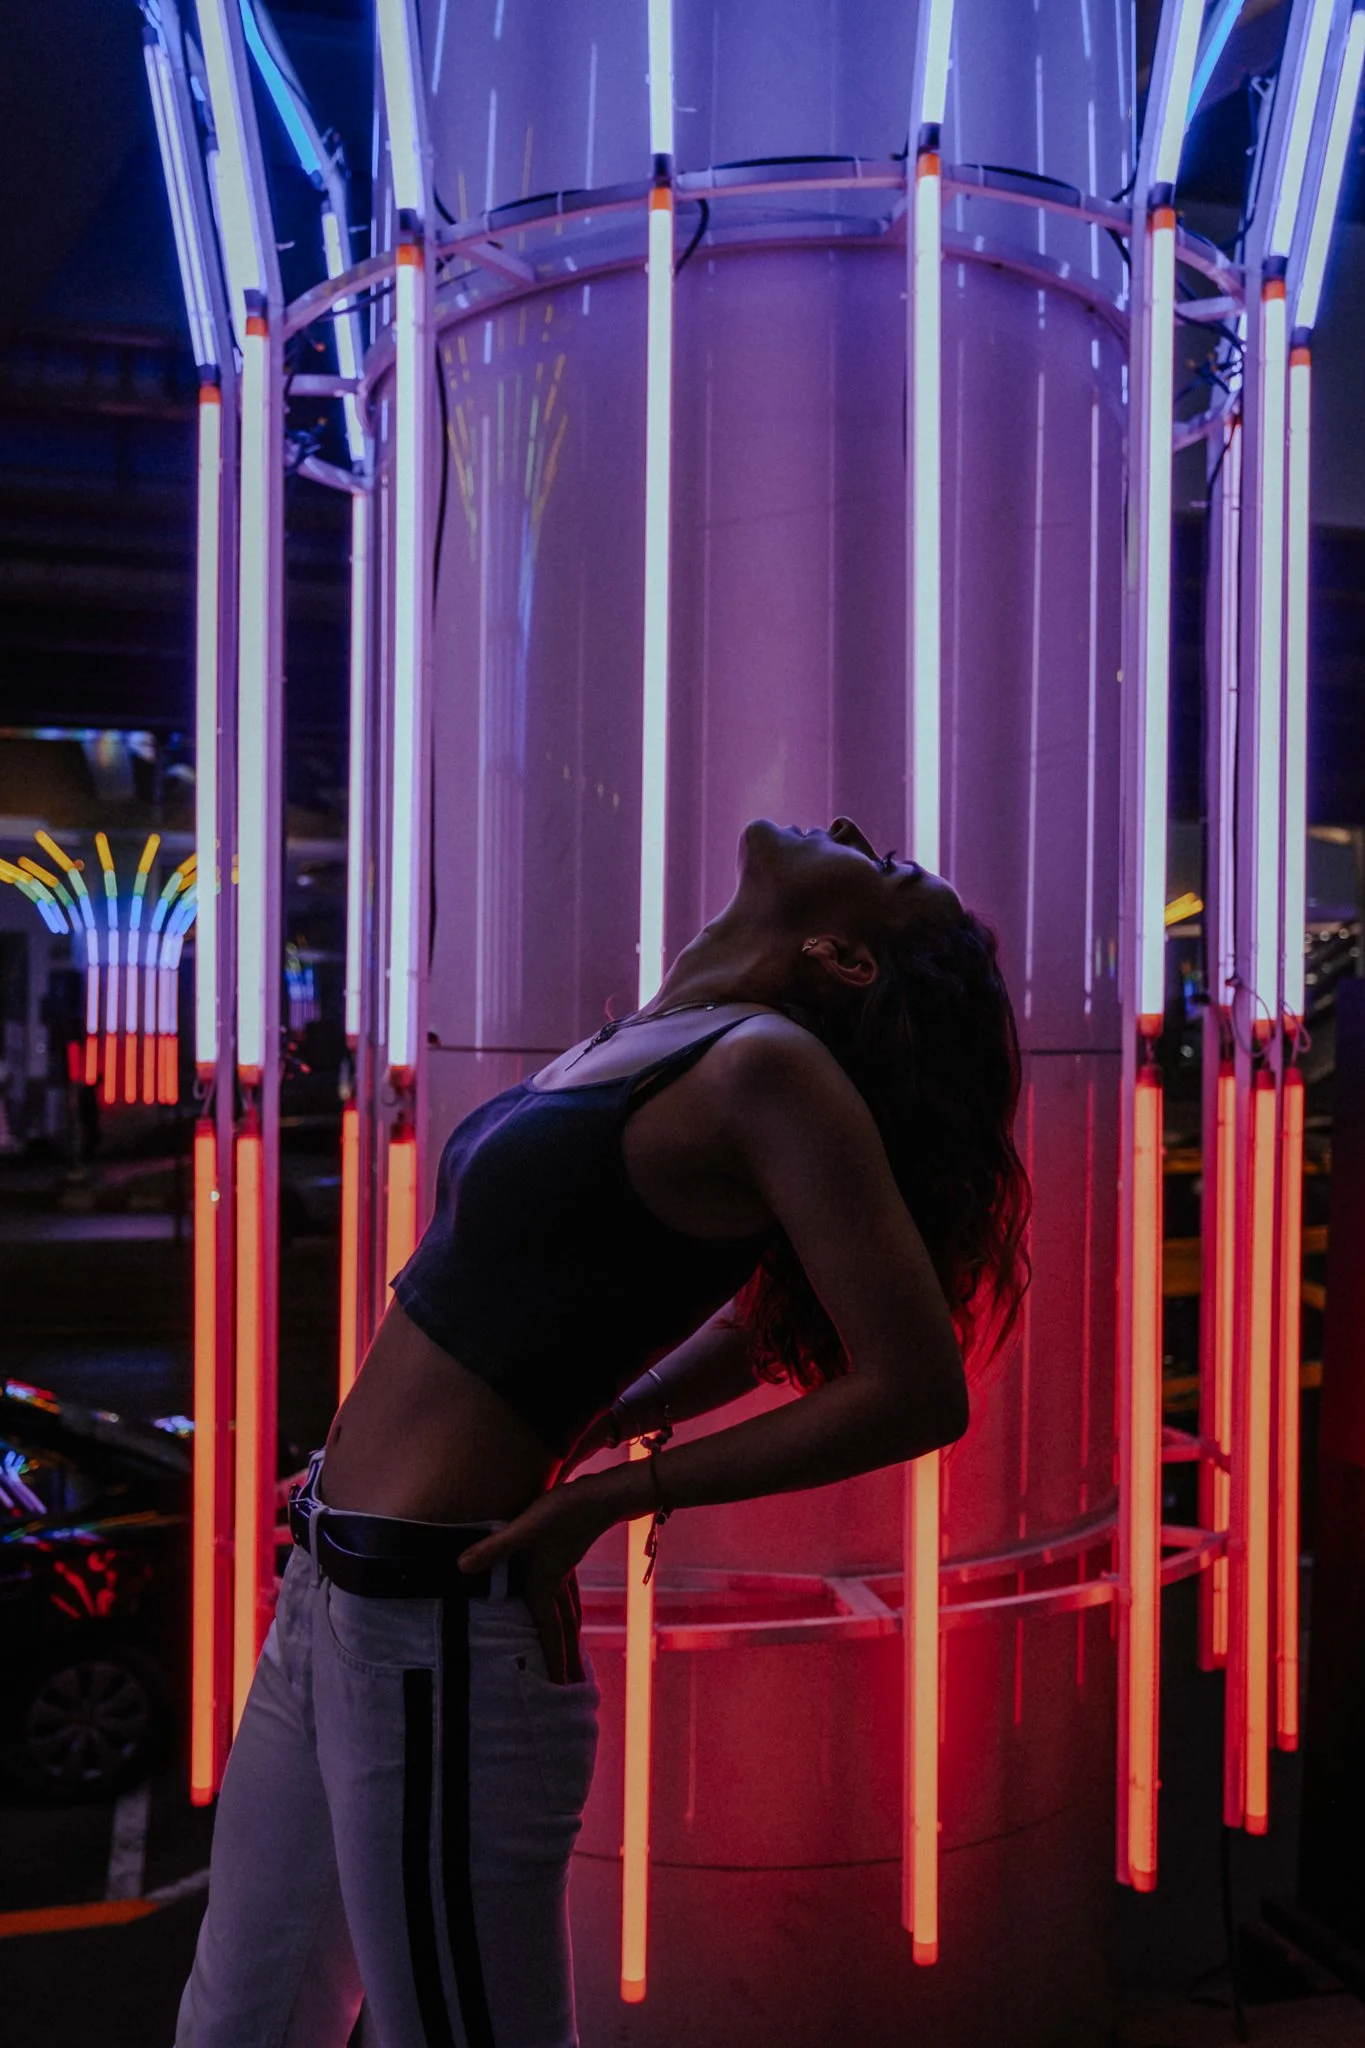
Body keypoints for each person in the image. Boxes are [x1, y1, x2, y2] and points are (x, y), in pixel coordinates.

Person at [175, 815, 1031, 2048]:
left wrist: (618, 1491)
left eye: (887, 864)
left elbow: (913, 1385)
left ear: (844, 955)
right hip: (331, 1585)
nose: (850, 826)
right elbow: (749, 1322)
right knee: (236, 2026)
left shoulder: (766, 1068)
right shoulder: (653, 1037)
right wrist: (602, 1420)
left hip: (441, 1622)